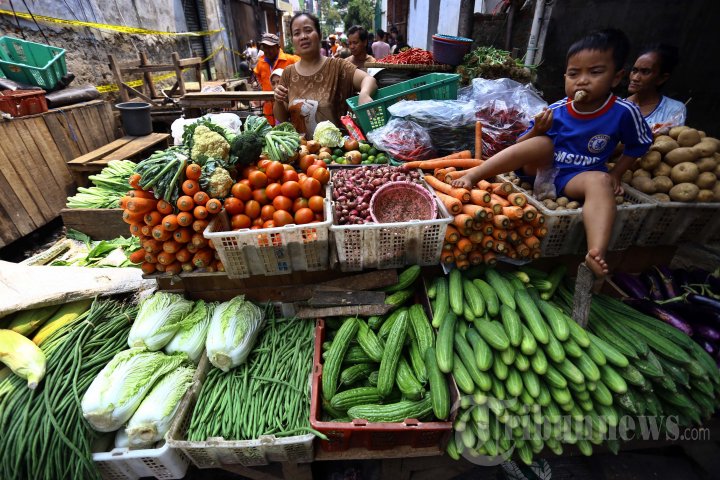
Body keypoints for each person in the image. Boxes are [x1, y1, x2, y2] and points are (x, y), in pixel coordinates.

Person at [450, 29, 652, 278]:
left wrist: (617, 174)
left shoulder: (624, 111)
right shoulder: (557, 109)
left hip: (577, 179)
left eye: (595, 72)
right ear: (565, 76)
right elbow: (520, 144)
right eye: (574, 74)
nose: (582, 81)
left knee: (601, 181)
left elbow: (640, 144)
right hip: (541, 170)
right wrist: (538, 131)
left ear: (616, 77)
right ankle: (474, 174)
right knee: (542, 143)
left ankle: (595, 252)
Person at [273, 12, 377, 138]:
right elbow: (282, 117)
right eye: (297, 33)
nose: (303, 36)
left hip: (336, 153)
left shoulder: (338, 66)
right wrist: (278, 101)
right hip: (302, 152)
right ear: (293, 40)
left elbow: (368, 79)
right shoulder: (288, 73)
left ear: (319, 35)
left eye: (308, 30)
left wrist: (364, 94)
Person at [626, 43, 686, 133]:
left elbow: (670, 141)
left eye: (645, 72)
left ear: (662, 78)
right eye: (634, 70)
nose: (635, 78)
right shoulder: (617, 107)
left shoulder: (674, 109)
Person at [254, 33, 299, 125]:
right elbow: (258, 75)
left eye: (270, 47)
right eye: (264, 47)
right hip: (269, 111)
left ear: (278, 47)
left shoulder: (291, 60)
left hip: (288, 110)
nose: (267, 50)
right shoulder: (261, 63)